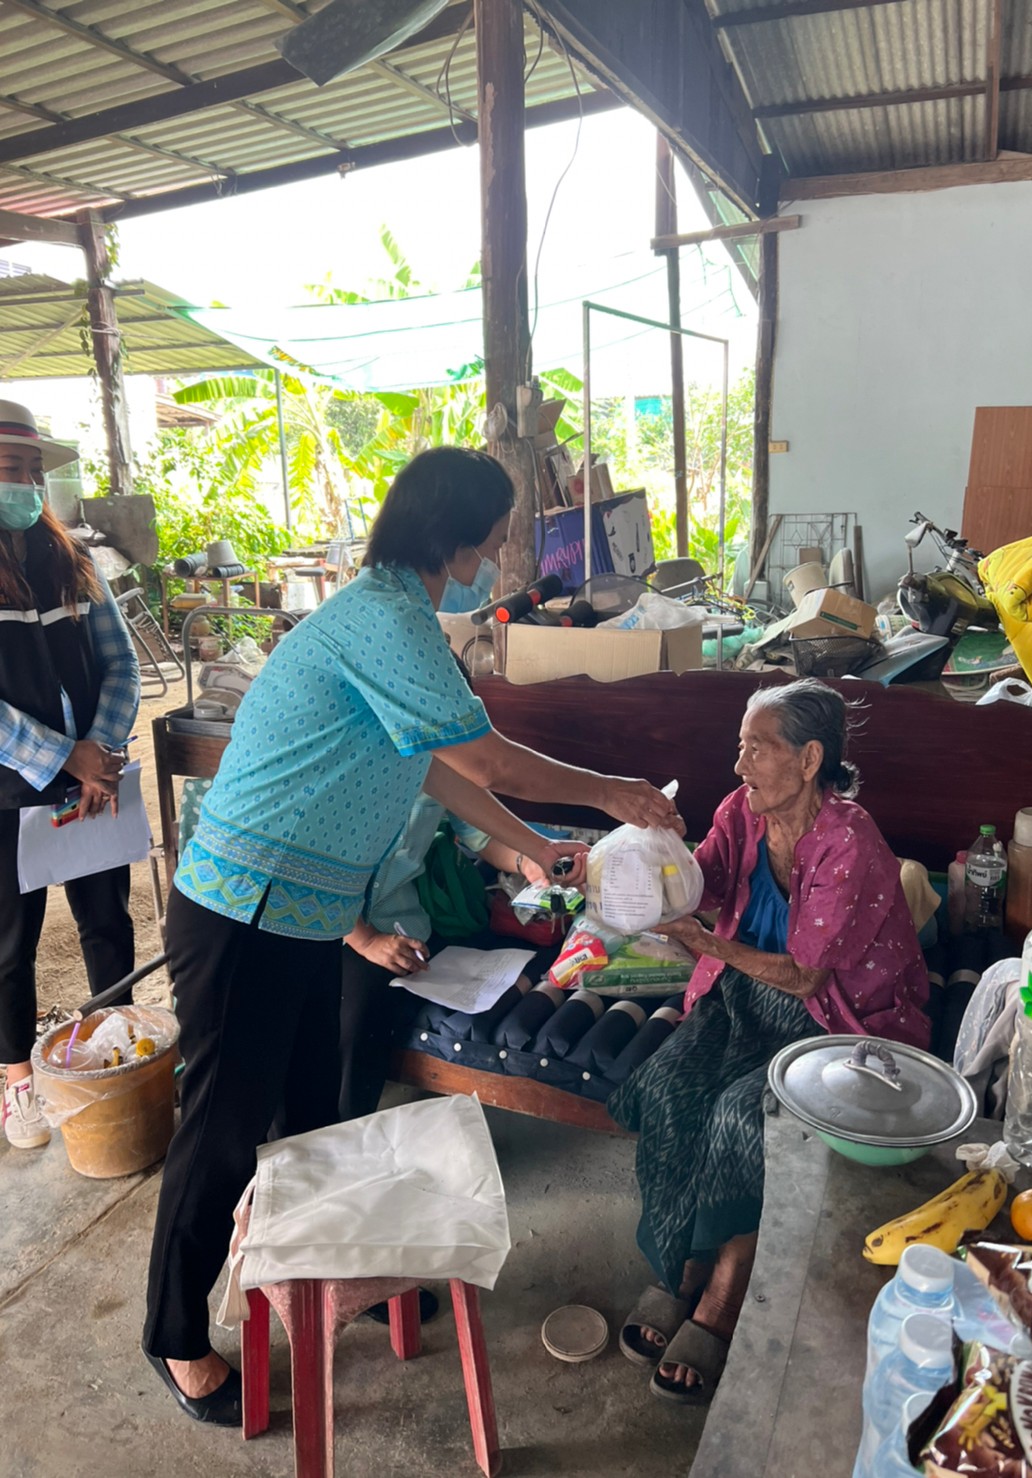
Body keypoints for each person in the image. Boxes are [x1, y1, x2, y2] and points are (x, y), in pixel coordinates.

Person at [143, 445, 681, 1426]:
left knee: (309, 1112)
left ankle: (329, 1280)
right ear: (457, 535)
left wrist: (536, 847)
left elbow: (432, 766)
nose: (500, 553)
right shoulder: (386, 619)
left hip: (299, 915)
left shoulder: (395, 614)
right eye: (494, 535)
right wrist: (607, 794)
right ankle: (175, 1332)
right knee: (223, 1125)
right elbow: (479, 754)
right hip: (241, 907)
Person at [610, 678, 929, 1404]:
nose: (740, 765)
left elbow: (809, 976)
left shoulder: (849, 842)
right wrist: (646, 852)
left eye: (758, 748)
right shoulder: (741, 812)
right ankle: (678, 1263)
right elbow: (704, 883)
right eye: (740, 746)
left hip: (838, 1021)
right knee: (665, 1088)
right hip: (741, 1000)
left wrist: (702, 944)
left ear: (811, 758)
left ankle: (723, 1289)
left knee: (736, 1113)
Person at [0, 399, 140, 1152]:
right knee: (6, 944)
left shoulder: (71, 559)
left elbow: (120, 660)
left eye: (30, 471)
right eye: (8, 470)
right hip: (9, 789)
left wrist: (101, 746)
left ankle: (112, 1046)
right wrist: (62, 755)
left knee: (107, 921)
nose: (24, 485)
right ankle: (19, 1083)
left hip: (93, 782)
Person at [340, 788, 556, 1122]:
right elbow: (311, 863)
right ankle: (333, 1135)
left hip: (402, 920)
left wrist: (528, 862)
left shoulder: (439, 761)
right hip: (333, 924)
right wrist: (366, 941)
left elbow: (481, 835)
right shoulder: (351, 765)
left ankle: (346, 1131)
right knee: (347, 1017)